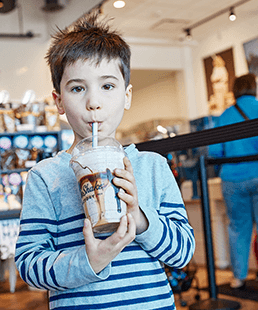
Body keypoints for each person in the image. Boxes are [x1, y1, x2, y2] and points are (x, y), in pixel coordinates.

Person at [15, 13, 195, 309]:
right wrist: (89, 261)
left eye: (107, 86)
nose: (93, 102)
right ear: (58, 100)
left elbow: (183, 253)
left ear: (126, 96)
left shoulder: (152, 167)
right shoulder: (45, 177)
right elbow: (29, 267)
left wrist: (140, 219)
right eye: (77, 88)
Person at [208, 73, 258, 289]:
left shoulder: (225, 116)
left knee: (238, 228)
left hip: (231, 180)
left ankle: (238, 278)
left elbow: (214, 151)